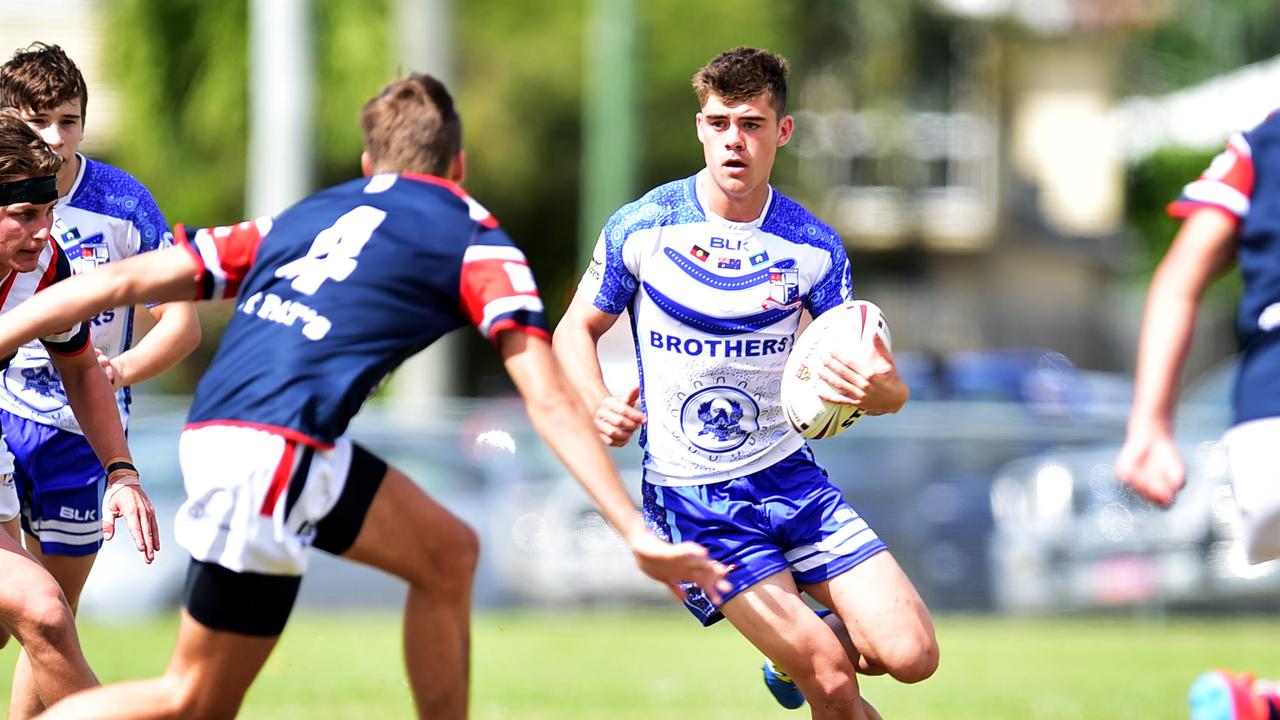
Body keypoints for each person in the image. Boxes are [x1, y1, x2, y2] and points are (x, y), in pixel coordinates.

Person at [0, 73, 729, 720]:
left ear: (368, 165)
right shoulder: (477, 239)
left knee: (447, 553)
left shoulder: (313, 215)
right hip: (276, 446)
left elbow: (129, 280)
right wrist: (634, 529)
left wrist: (12, 328)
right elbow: (546, 394)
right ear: (459, 168)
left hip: (250, 434)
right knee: (190, 698)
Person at [553, 47, 937, 719]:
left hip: (791, 482)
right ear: (700, 126)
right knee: (832, 678)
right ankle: (803, 650)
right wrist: (597, 403)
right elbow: (570, 331)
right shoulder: (644, 227)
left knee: (911, 655)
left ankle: (787, 651)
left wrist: (882, 394)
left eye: (752, 123)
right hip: (695, 501)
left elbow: (883, 380)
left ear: (781, 132)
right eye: (720, 121)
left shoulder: (813, 247)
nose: (735, 139)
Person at [0, 43, 200, 719]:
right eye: (23, 217)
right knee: (37, 611)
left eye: (68, 120)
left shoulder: (63, 247)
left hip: (76, 435)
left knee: (44, 615)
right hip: (9, 417)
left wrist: (122, 469)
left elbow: (89, 360)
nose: (52, 141)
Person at [1116, 111, 1280, 720]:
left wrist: (1150, 426)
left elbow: (1180, 277)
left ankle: (1257, 704)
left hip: (1264, 427)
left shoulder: (1265, 141)